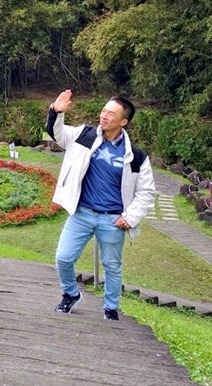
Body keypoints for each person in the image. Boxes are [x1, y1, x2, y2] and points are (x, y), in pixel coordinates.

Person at [46, 90, 155, 321]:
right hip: (82, 213)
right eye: (104, 110)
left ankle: (110, 309)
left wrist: (130, 217)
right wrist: (56, 112)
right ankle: (70, 294)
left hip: (112, 219)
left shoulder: (135, 156)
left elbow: (146, 192)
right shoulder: (84, 135)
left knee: (112, 266)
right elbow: (58, 133)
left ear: (123, 121)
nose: (104, 116)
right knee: (63, 258)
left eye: (111, 113)